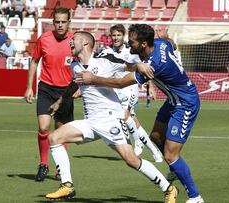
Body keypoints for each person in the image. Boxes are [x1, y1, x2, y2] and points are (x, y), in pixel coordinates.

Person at [76, 24, 205, 203]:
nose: (129, 44)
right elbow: (171, 44)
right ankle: (176, 169)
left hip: (185, 104)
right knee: (156, 137)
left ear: (144, 44)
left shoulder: (154, 65)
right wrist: (168, 37)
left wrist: (93, 79)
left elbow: (121, 83)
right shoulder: (159, 43)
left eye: (133, 42)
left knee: (170, 155)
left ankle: (195, 197)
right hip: (173, 101)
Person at [46, 31, 178, 202]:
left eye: (74, 39)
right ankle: (67, 186)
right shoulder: (75, 65)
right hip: (91, 122)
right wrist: (59, 102)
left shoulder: (104, 59)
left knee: (131, 160)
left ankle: (168, 189)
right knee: (54, 138)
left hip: (111, 120)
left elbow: (127, 65)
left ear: (86, 43)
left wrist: (139, 65)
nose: (70, 42)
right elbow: (74, 84)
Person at [23, 7, 75, 182]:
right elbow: (34, 61)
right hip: (46, 88)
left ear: (69, 22)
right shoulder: (44, 39)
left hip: (66, 91)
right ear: (53, 23)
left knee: (62, 132)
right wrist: (29, 87)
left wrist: (79, 88)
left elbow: (84, 65)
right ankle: (43, 163)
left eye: (63, 22)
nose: (60, 25)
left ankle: (60, 167)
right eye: (57, 22)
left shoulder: (75, 41)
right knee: (44, 127)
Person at [101, 24, 163, 162]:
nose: (116, 38)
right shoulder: (107, 52)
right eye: (113, 35)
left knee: (125, 115)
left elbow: (145, 70)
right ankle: (154, 151)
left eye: (118, 35)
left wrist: (150, 87)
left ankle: (138, 142)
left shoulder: (132, 52)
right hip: (117, 92)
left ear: (123, 37)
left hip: (130, 90)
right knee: (133, 121)